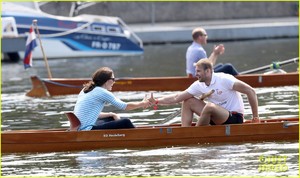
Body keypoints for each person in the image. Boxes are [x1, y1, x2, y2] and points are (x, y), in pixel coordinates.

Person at [151, 58, 259, 127]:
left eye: (198, 71)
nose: (195, 74)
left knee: (210, 107)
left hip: (234, 118)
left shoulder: (224, 79)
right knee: (188, 101)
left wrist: (255, 118)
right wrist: (156, 101)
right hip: (215, 117)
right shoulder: (199, 84)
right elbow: (176, 97)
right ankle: (184, 133)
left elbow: (251, 91)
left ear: (208, 71)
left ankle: (196, 134)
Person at [73, 67, 152, 131]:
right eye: (113, 79)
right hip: (87, 129)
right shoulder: (102, 92)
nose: (114, 82)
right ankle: (139, 136)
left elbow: (90, 113)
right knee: (126, 122)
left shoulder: (85, 89)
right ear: (107, 81)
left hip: (79, 128)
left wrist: (111, 114)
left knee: (111, 118)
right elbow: (125, 106)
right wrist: (143, 103)